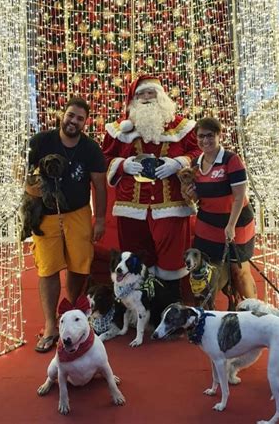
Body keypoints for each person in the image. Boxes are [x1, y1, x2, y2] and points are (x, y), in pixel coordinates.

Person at [102, 75, 201, 323]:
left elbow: (199, 150)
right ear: (133, 100)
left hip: (170, 207)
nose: (147, 98)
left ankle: (168, 314)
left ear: (162, 96)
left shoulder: (183, 127)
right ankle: (138, 315)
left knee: (171, 260)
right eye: (141, 94)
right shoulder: (118, 130)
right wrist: (123, 165)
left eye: (151, 93)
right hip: (131, 207)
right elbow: (103, 159)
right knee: (135, 259)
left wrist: (178, 163)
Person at [26, 96, 107, 352]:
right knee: (47, 269)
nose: (74, 121)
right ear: (62, 114)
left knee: (79, 266)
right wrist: (32, 191)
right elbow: (23, 173)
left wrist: (101, 218)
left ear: (85, 122)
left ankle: (73, 317)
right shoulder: (41, 142)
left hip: (79, 213)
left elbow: (99, 184)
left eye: (80, 118)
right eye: (71, 115)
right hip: (45, 216)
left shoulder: (90, 148)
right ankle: (51, 325)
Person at [186, 117, 257, 303]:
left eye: (210, 135)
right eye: (201, 136)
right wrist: (190, 194)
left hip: (236, 223)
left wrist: (231, 226)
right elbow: (198, 198)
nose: (205, 140)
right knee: (205, 273)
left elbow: (239, 197)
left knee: (239, 272)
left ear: (219, 135)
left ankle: (255, 311)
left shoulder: (231, 160)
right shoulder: (195, 164)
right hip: (207, 225)